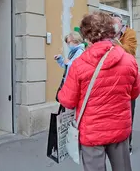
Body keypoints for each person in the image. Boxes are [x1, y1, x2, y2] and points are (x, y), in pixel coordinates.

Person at [58, 11, 140, 171]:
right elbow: (134, 93)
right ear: (111, 31)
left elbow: (67, 100)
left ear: (87, 36)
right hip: (120, 129)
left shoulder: (79, 64)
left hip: (91, 132)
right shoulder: (129, 61)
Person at [110, 12, 138, 155]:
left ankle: (128, 144)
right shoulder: (109, 33)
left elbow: (130, 51)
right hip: (111, 79)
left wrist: (116, 43)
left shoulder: (130, 33)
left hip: (127, 80)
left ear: (121, 23)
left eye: (114, 23)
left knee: (128, 114)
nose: (112, 26)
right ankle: (114, 142)